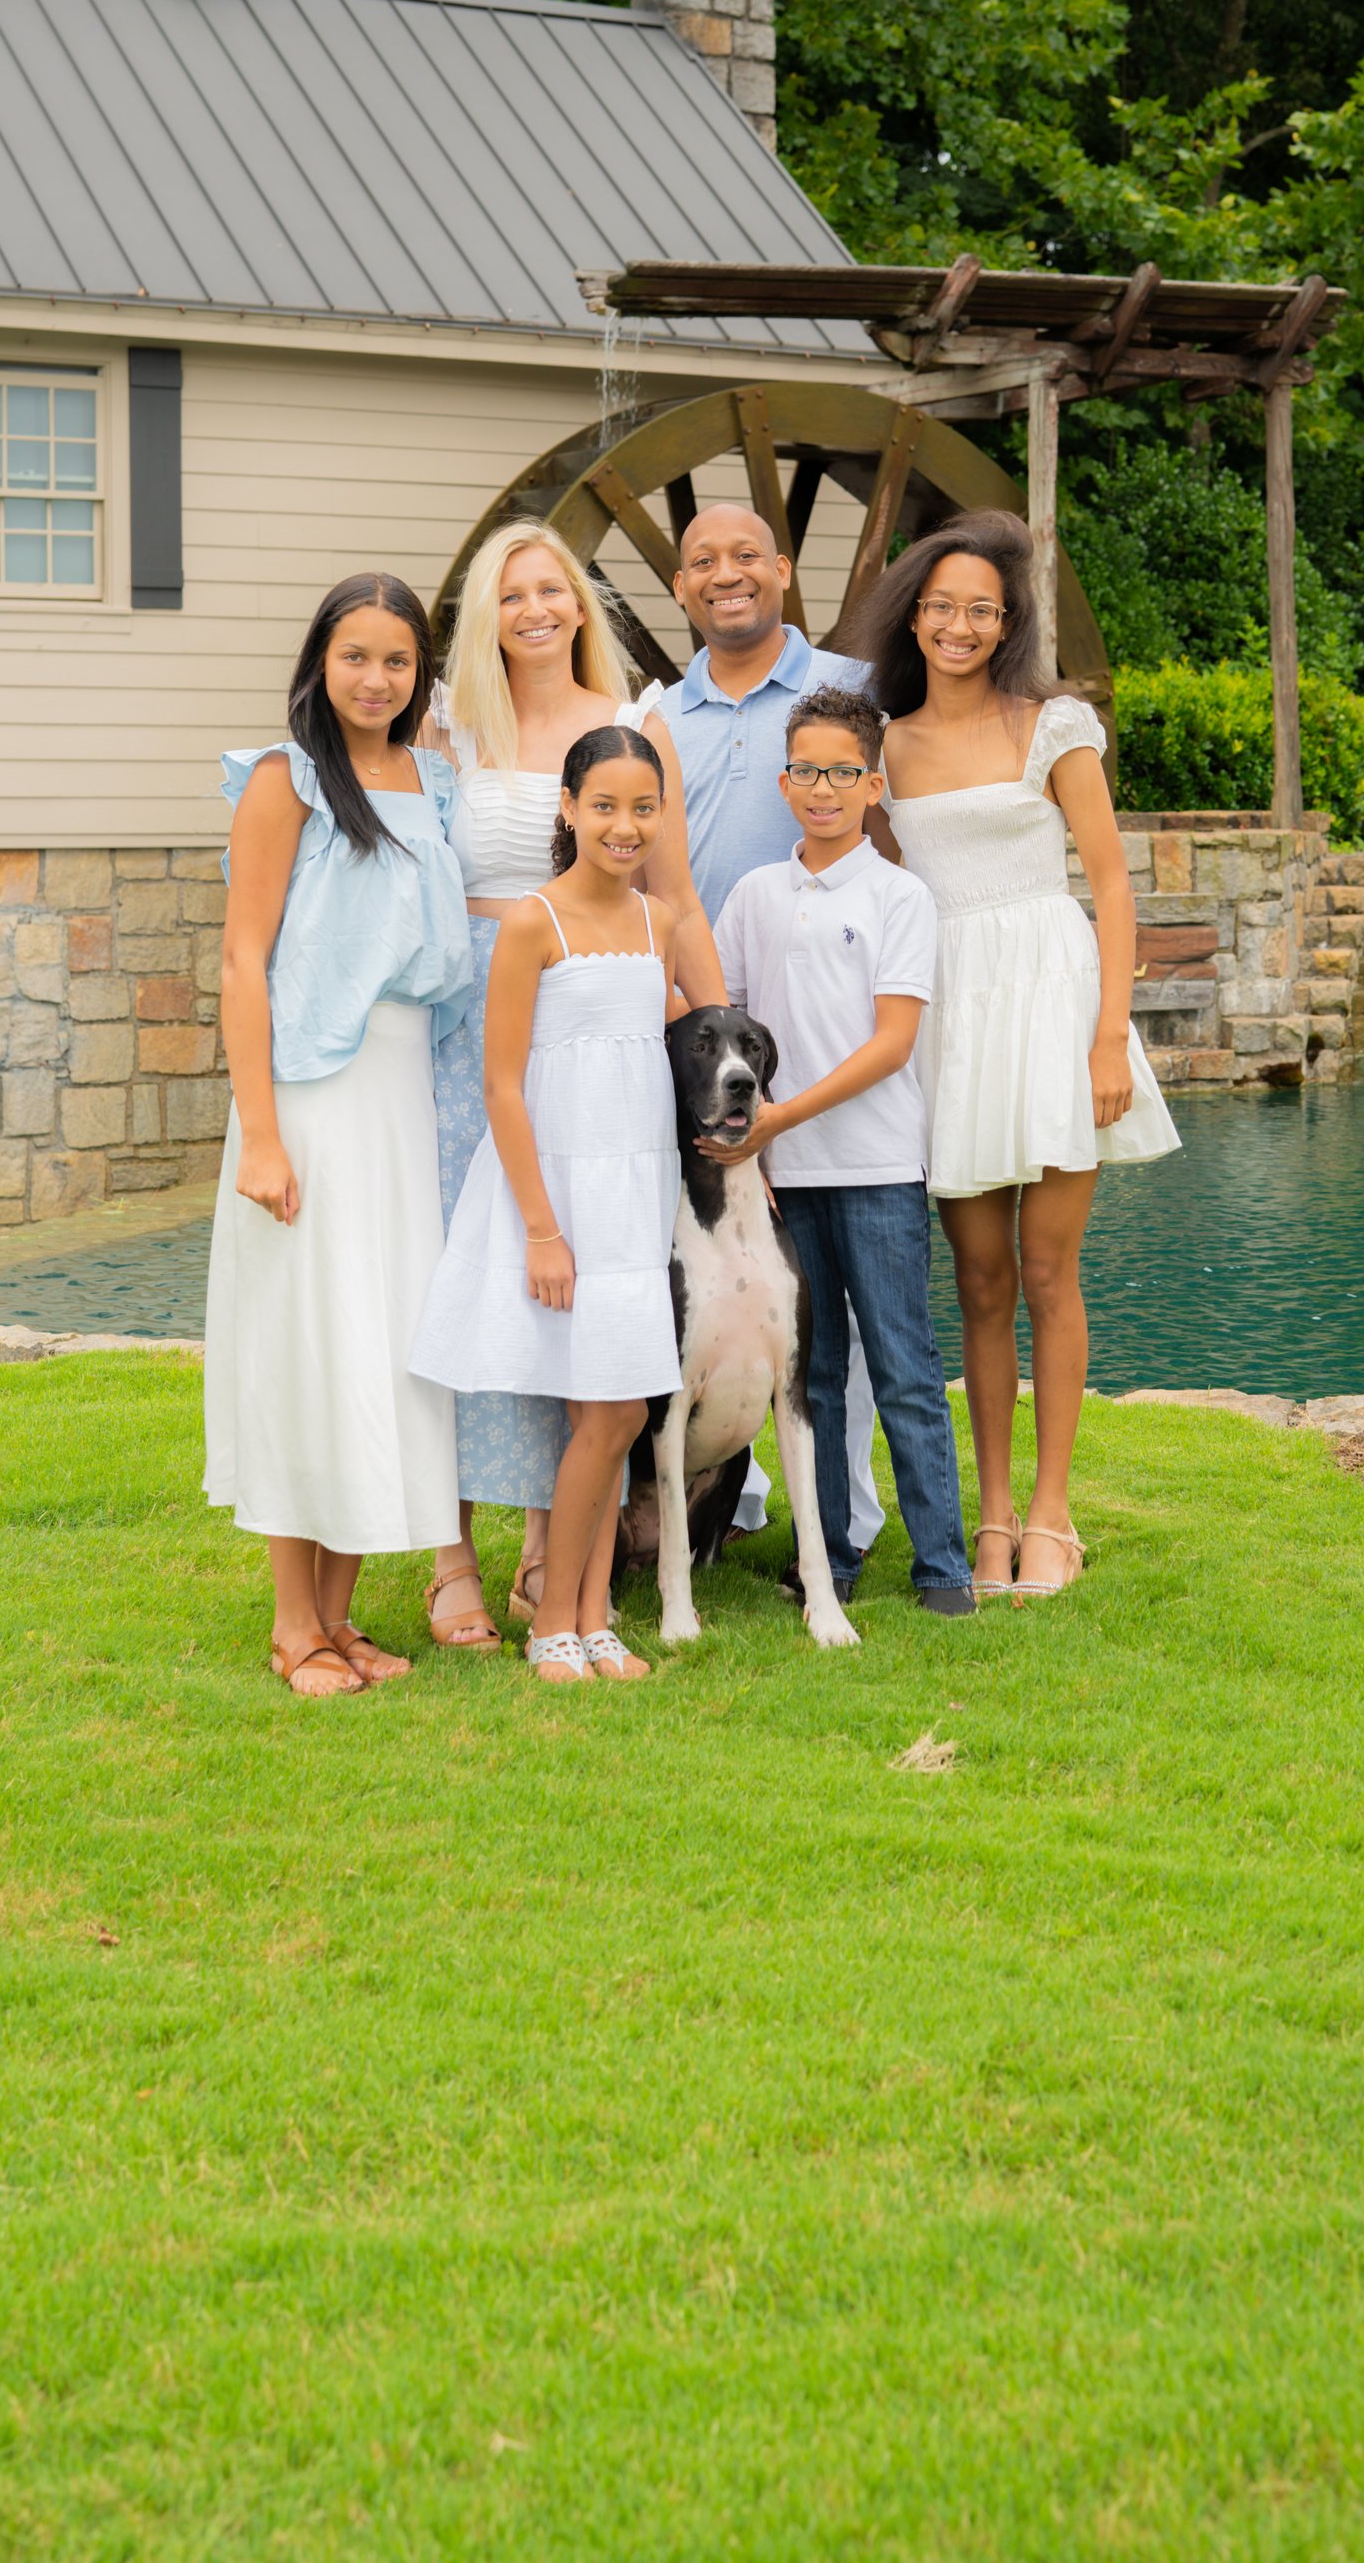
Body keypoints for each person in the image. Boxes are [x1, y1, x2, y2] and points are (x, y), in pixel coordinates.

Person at [849, 510, 1177, 1601]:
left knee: (1047, 1269)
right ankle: (990, 1519)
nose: (959, 625)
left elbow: (1112, 882)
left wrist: (1107, 1036)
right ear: (914, 616)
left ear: (1007, 623)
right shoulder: (885, 745)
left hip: (1050, 996)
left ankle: (1051, 1512)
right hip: (950, 1008)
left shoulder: (1053, 725)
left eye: (981, 610)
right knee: (981, 1280)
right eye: (941, 606)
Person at [422, 525, 713, 1643]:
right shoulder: (449, 726)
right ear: (484, 615)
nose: (535, 609)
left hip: (593, 1023)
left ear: (581, 604)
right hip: (470, 1022)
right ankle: (449, 1551)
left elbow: (675, 900)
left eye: (552, 589)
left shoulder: (632, 722)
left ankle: (553, 1550)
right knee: (466, 1280)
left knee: (579, 1285)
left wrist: (719, 1048)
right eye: (511, 594)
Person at [206, 574, 473, 1697]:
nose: (375, 678)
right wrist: (261, 1134)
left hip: (402, 1096)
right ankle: (291, 1625)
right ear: (320, 660)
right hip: (311, 1095)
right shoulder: (285, 780)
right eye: (355, 655)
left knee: (385, 1343)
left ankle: (340, 1616)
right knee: (307, 1344)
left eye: (397, 660)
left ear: (421, 673)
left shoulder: (433, 781)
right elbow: (242, 960)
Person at [702, 687, 976, 1619]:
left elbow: (892, 1044)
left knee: (903, 1367)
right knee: (811, 1377)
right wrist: (755, 1136)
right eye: (807, 771)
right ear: (784, 783)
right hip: (784, 1182)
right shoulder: (754, 896)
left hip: (877, 1171)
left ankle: (943, 1567)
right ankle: (830, 1559)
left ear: (873, 784)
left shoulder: (900, 896)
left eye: (843, 772)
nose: (824, 788)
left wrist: (780, 1117)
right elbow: (727, 1025)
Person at [656, 502, 888, 1560]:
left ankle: (844, 1517)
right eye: (703, 561)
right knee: (719, 1270)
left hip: (819, 1015)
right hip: (701, 1035)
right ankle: (728, 1501)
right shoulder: (661, 713)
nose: (726, 574)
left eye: (746, 555)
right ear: (679, 588)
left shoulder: (847, 688)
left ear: (784, 569)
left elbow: (895, 832)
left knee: (822, 1286)